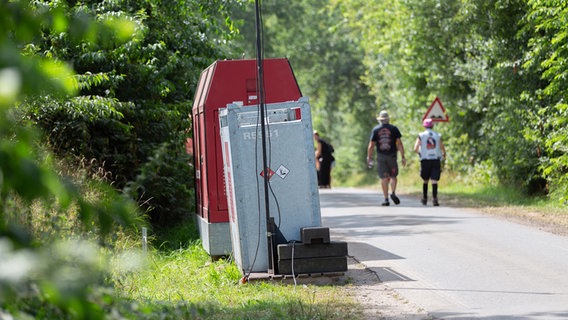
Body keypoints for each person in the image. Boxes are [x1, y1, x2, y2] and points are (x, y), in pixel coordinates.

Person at [367, 110, 406, 206]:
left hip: (381, 156)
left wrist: (369, 157)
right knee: (393, 176)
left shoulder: (376, 130)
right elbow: (399, 143)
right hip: (392, 155)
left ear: (380, 120)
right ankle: (393, 192)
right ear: (388, 119)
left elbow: (371, 145)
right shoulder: (394, 129)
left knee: (384, 177)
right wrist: (403, 156)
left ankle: (386, 199)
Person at [413, 118, 447, 206]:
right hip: (435, 159)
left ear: (424, 126)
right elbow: (441, 146)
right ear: (432, 126)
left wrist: (420, 153)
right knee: (434, 180)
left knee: (425, 179)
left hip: (425, 159)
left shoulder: (421, 135)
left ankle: (424, 198)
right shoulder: (437, 135)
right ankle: (435, 199)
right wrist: (443, 153)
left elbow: (415, 148)